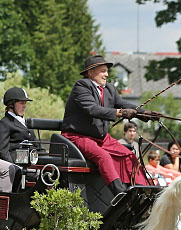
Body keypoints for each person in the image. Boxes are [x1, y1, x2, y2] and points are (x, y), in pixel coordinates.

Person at [61, 54, 153, 196]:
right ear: (91, 72)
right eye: (103, 71)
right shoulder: (81, 86)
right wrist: (121, 112)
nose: (107, 75)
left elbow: (123, 104)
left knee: (129, 156)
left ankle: (144, 193)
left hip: (101, 138)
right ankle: (121, 195)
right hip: (78, 136)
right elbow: (93, 109)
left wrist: (144, 113)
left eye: (107, 71)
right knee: (103, 157)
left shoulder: (109, 89)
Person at [0, 87, 38, 162]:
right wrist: (14, 168)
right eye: (21, 103)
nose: (24, 106)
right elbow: (3, 152)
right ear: (11, 104)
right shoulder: (4, 124)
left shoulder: (27, 123)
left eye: (25, 103)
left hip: (33, 160)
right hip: (17, 163)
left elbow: (37, 147)